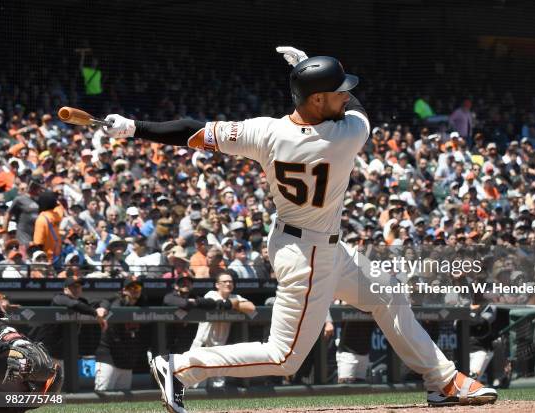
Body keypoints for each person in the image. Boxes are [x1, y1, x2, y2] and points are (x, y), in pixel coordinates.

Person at [104, 47, 497, 412]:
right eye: (337, 91)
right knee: (283, 356)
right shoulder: (346, 135)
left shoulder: (265, 132)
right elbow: (358, 109)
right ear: (316, 100)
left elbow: (191, 130)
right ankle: (180, 367)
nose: (347, 96)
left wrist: (134, 127)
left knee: (387, 296)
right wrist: (303, 65)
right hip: (309, 257)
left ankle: (443, 381)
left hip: (309, 243)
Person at [189, 271, 255, 388]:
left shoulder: (235, 297)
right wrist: (234, 305)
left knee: (218, 384)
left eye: (230, 282)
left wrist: (231, 303)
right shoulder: (211, 294)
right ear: (217, 285)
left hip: (220, 347)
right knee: (197, 384)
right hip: (202, 344)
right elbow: (217, 305)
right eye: (224, 281)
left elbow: (251, 307)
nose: (228, 284)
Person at [28, 278, 108, 371]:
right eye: (73, 287)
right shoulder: (59, 298)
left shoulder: (82, 302)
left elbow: (105, 301)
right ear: (65, 289)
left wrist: (102, 309)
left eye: (79, 287)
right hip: (45, 353)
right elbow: (73, 304)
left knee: (61, 384)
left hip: (62, 354)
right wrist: (95, 313)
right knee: (43, 384)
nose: (76, 289)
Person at [94, 276, 149, 391]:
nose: (135, 289)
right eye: (131, 287)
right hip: (109, 356)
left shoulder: (142, 305)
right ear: (124, 290)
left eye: (137, 287)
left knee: (123, 401)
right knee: (103, 393)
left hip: (126, 358)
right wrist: (103, 307)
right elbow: (106, 301)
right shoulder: (116, 302)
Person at [162, 275, 235, 354]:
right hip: (167, 337)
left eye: (188, 283)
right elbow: (183, 303)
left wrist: (195, 302)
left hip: (186, 339)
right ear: (176, 287)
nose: (186, 284)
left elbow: (211, 302)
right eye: (182, 283)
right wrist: (192, 303)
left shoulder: (194, 297)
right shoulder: (170, 296)